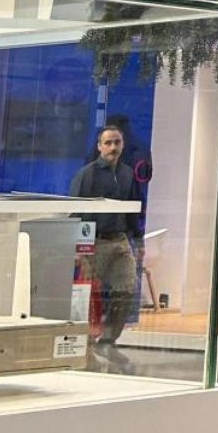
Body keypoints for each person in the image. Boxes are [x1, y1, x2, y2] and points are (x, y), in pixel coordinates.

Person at [68, 124, 143, 345]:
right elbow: (76, 212)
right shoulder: (87, 175)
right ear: (99, 146)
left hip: (120, 241)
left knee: (126, 289)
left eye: (117, 142)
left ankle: (108, 339)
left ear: (123, 145)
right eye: (108, 143)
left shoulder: (127, 174)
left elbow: (133, 211)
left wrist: (138, 241)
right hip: (95, 242)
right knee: (90, 295)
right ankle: (85, 341)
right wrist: (79, 249)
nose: (113, 147)